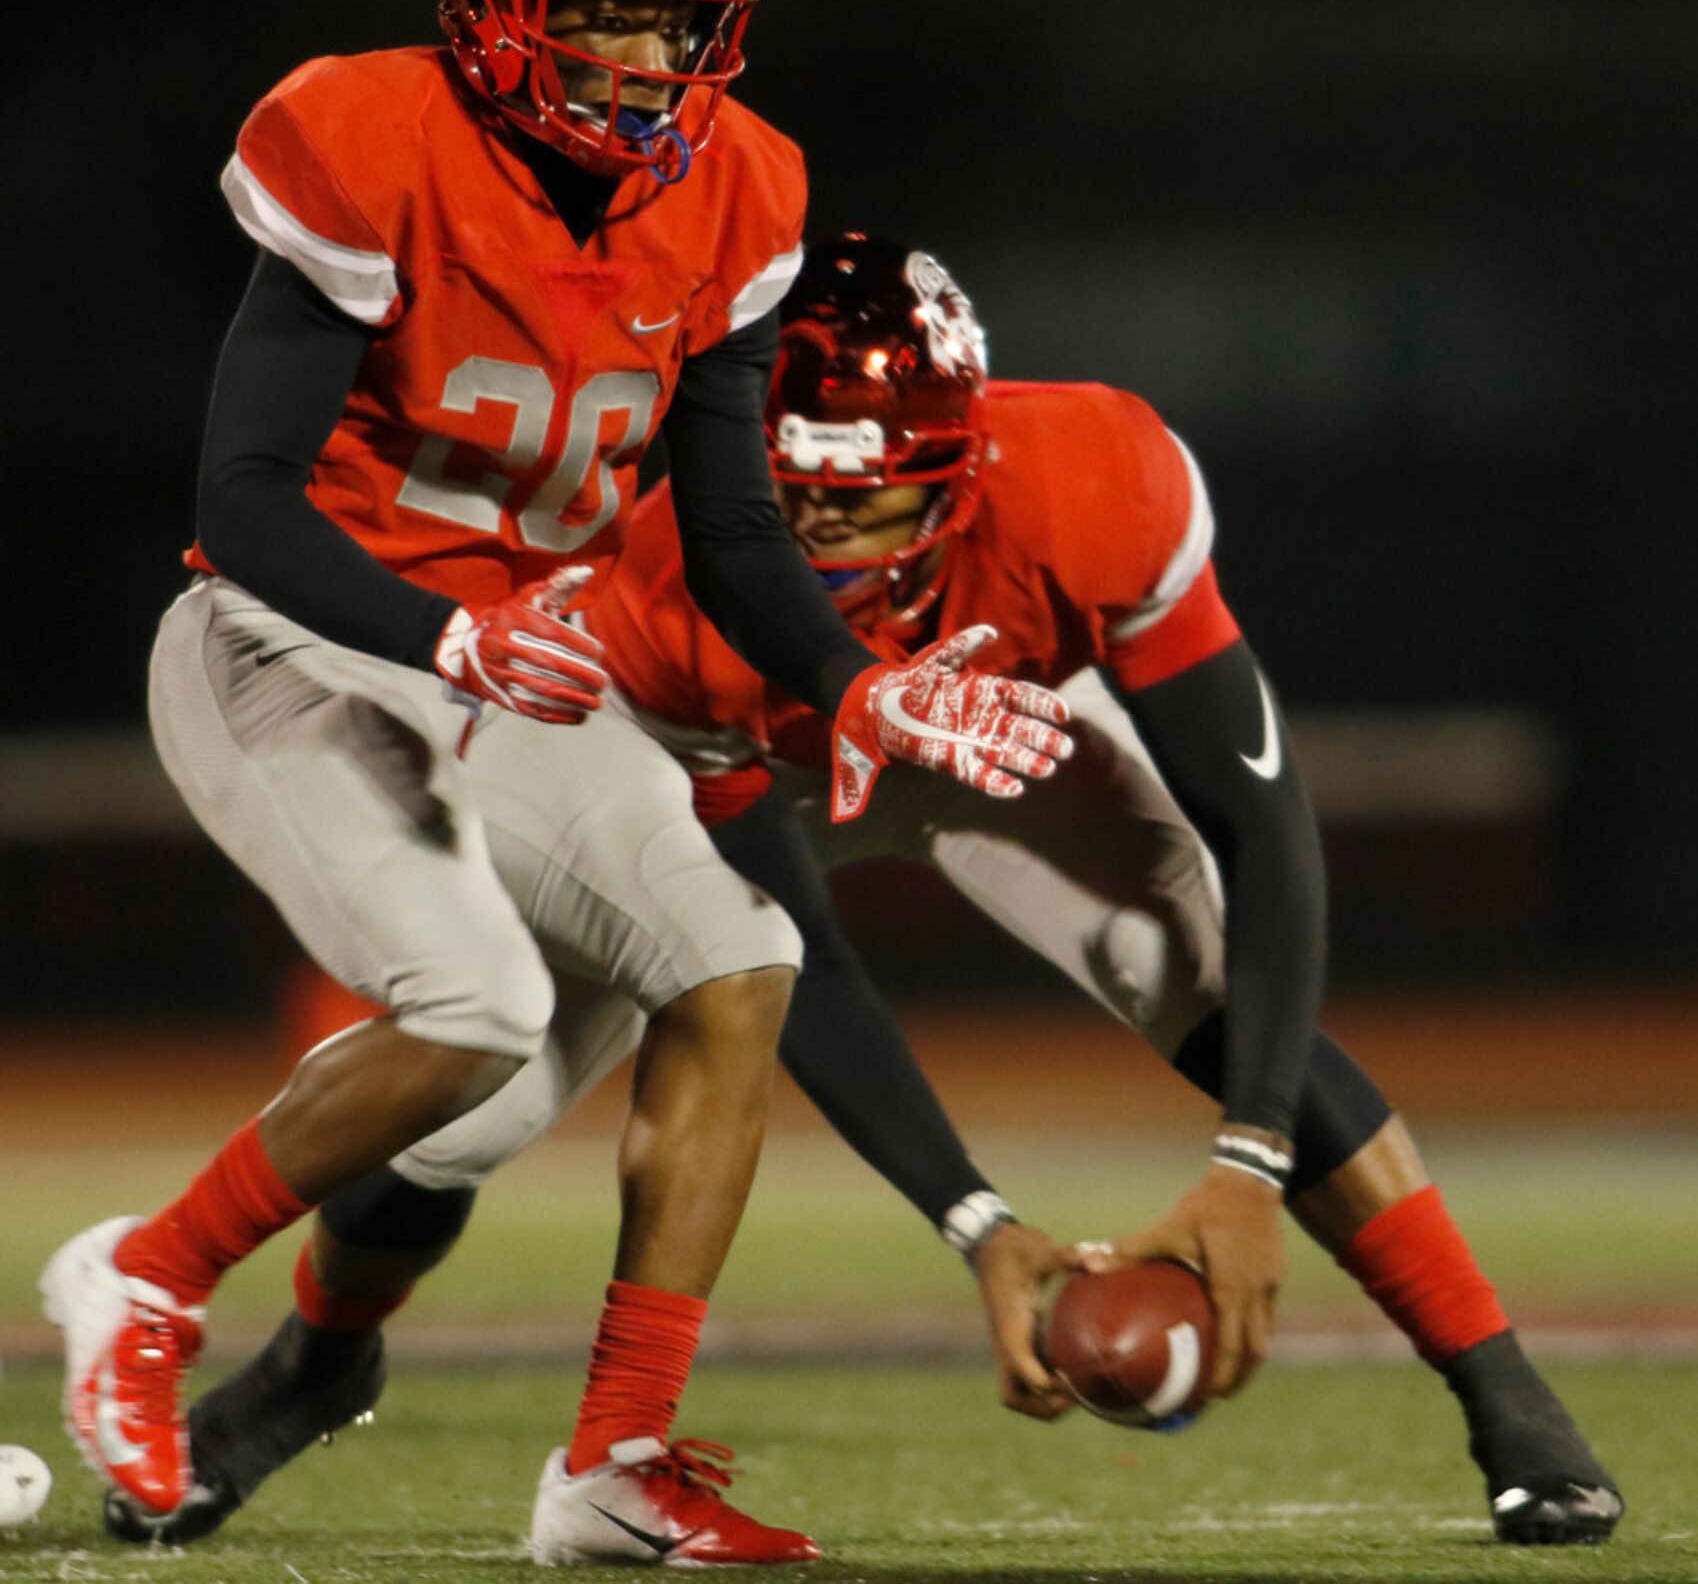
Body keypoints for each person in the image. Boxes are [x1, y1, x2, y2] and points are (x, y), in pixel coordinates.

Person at [104, 233, 1624, 1553]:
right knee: (475, 1099)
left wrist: (1245, 1161)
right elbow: (782, 960)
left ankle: (1505, 1395)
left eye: (873, 508)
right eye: (794, 507)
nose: (829, 549)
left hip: (999, 730)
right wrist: (978, 1222)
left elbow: (1260, 819)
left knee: (1203, 977)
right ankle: (320, 1355)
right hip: (759, 746)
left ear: (959, 474)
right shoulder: (676, 584)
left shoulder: (1102, 476)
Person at [39, 0, 1072, 1571]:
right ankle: (141, 1278)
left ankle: (612, 1461)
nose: (648, 60)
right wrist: (442, 637)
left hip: (512, 679)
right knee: (478, 1006)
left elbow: (733, 518)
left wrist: (860, 682)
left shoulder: (741, 182)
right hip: (288, 644)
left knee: (741, 965)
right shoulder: (367, 137)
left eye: (677, 26)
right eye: (604, 14)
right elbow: (242, 498)